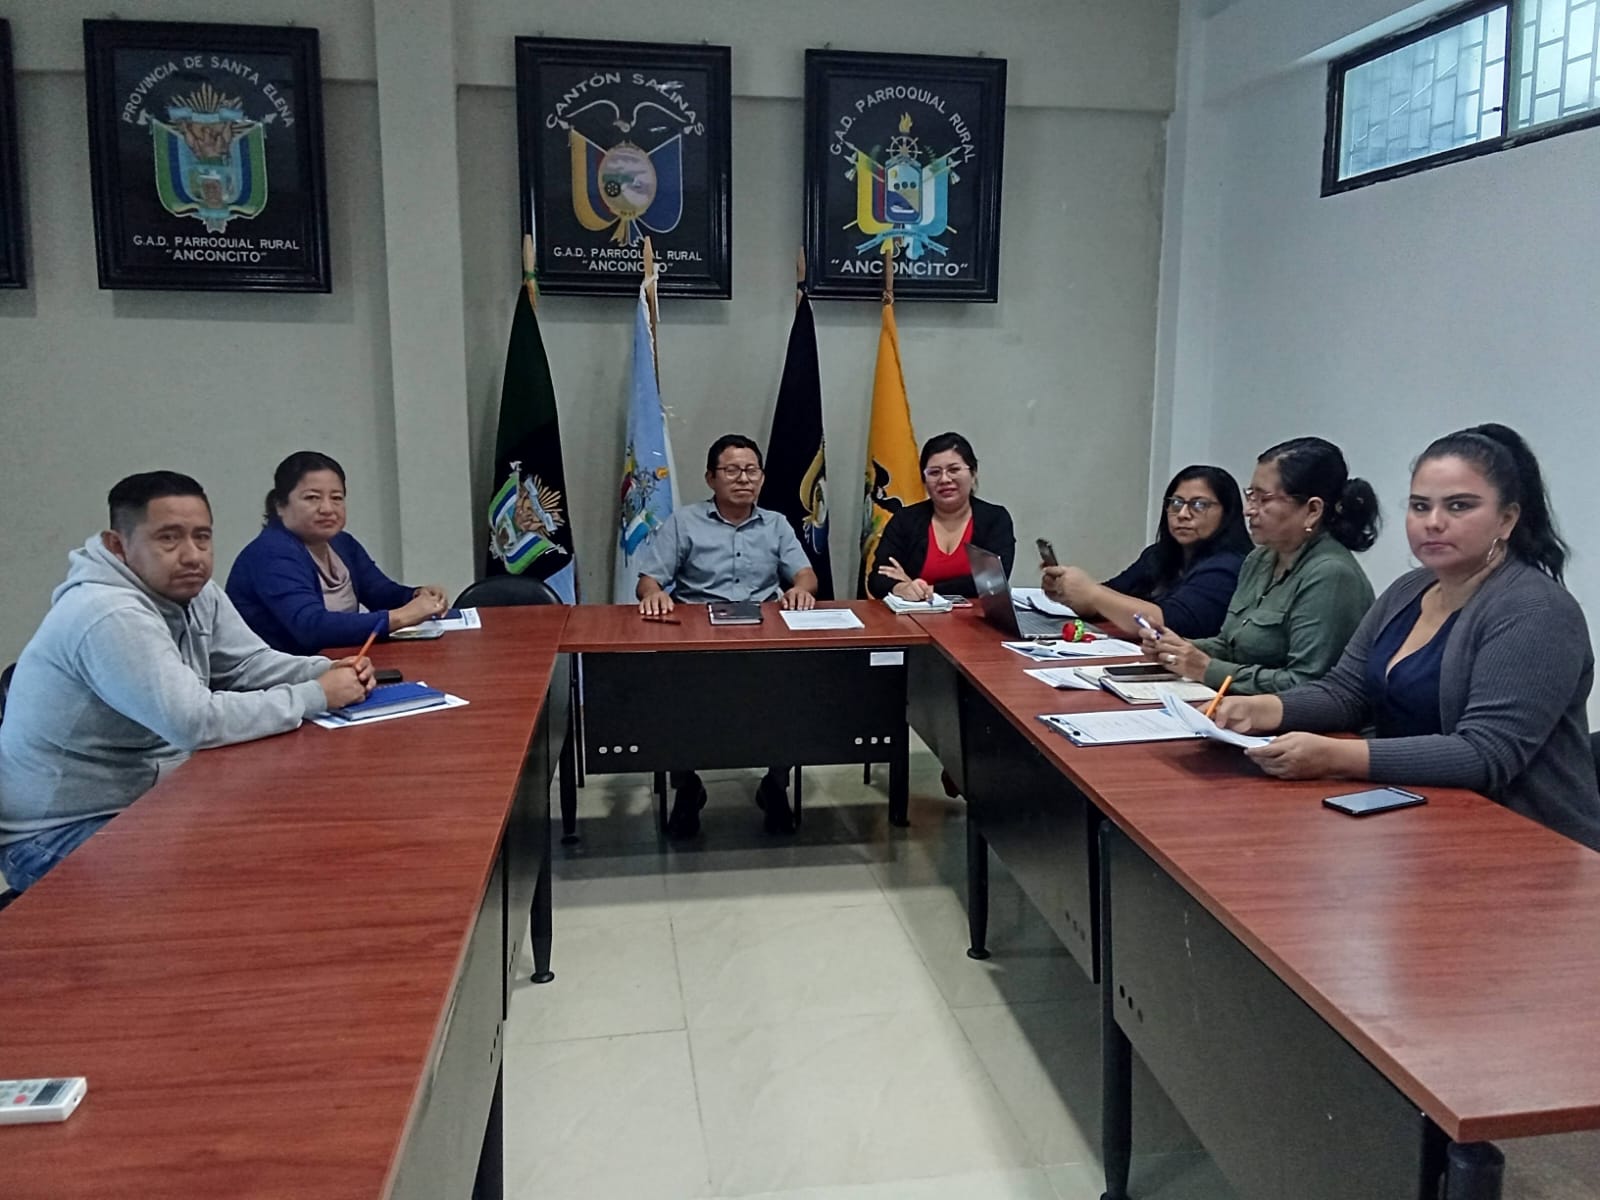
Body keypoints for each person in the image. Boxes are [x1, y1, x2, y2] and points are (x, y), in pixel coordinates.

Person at [1216, 425, 1600, 850]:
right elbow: (1346, 692)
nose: (1433, 522)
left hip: (1526, 841)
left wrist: (1333, 757)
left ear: (1506, 519)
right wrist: (1262, 709)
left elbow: (1486, 753)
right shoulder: (1409, 589)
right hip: (1416, 819)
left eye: (1459, 506)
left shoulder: (1536, 610)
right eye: (1420, 506)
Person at [0, 472, 372, 894]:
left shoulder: (196, 591)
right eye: (169, 538)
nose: (192, 555)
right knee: (232, 875)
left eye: (202, 537)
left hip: (147, 798)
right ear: (117, 545)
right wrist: (316, 694)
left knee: (285, 827)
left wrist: (324, 670)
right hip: (59, 833)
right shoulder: (108, 614)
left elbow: (248, 663)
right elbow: (194, 723)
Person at [636, 434, 818, 838]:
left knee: (793, 692)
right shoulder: (685, 522)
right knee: (674, 699)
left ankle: (775, 786)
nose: (743, 479)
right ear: (710, 478)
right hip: (697, 639)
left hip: (763, 637)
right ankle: (687, 787)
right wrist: (655, 595)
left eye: (751, 470)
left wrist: (800, 589)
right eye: (732, 470)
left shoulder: (776, 524)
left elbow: (805, 575)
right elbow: (648, 581)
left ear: (762, 478)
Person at [1141, 437, 1378, 694]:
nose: (1249, 510)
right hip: (1240, 704)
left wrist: (1206, 669)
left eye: (1263, 499)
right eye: (1250, 496)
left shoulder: (1331, 574)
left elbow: (1306, 685)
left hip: (1292, 717)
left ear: (1312, 510)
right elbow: (1231, 645)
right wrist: (1178, 648)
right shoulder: (1260, 559)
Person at [227, 451, 449, 655]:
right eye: (312, 498)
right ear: (279, 506)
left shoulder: (342, 543)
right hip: (283, 677)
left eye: (336, 498)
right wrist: (401, 617)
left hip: (338, 664)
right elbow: (311, 627)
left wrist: (416, 596)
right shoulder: (271, 553)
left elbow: (379, 592)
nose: (327, 509)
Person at [1041, 464, 1251, 638]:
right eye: (1176, 503)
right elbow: (1111, 599)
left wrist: (1092, 593)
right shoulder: (1158, 555)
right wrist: (1068, 592)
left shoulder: (1229, 565)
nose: (1183, 514)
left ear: (1227, 512)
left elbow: (1171, 623)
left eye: (1198, 505)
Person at [867, 432, 1015, 600]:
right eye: (934, 472)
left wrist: (927, 590)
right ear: (924, 480)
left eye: (954, 470)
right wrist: (902, 587)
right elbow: (878, 578)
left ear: (973, 474)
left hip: (974, 615)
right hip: (914, 615)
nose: (944, 479)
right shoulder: (905, 520)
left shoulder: (995, 519)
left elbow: (992, 582)